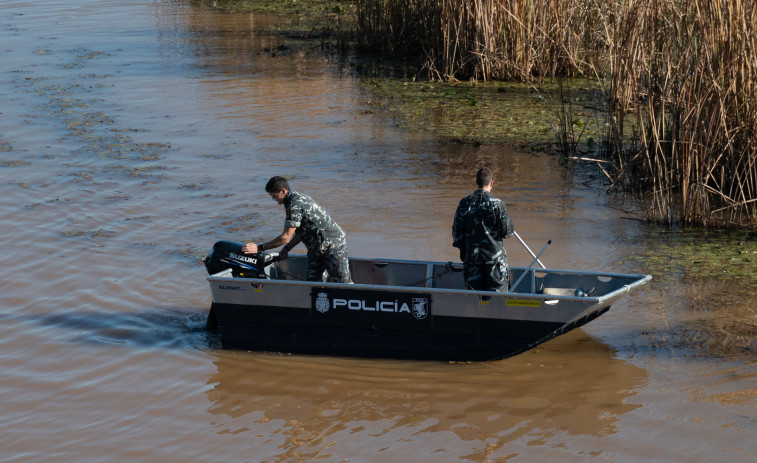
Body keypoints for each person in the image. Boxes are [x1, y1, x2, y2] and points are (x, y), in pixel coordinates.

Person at [241, 176, 352, 283]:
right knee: (312, 284)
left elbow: (285, 237)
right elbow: (301, 232)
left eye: (274, 196)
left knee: (342, 282)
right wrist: (287, 248)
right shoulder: (294, 199)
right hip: (316, 248)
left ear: (283, 191)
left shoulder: (294, 204)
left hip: (333, 245)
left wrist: (259, 248)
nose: (273, 199)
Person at [452, 167, 514, 292]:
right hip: (495, 263)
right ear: (491, 183)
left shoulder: (464, 203)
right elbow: (507, 232)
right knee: (498, 303)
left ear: (476, 182)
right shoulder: (497, 204)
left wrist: (466, 251)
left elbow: (456, 235)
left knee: (474, 302)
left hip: (472, 262)